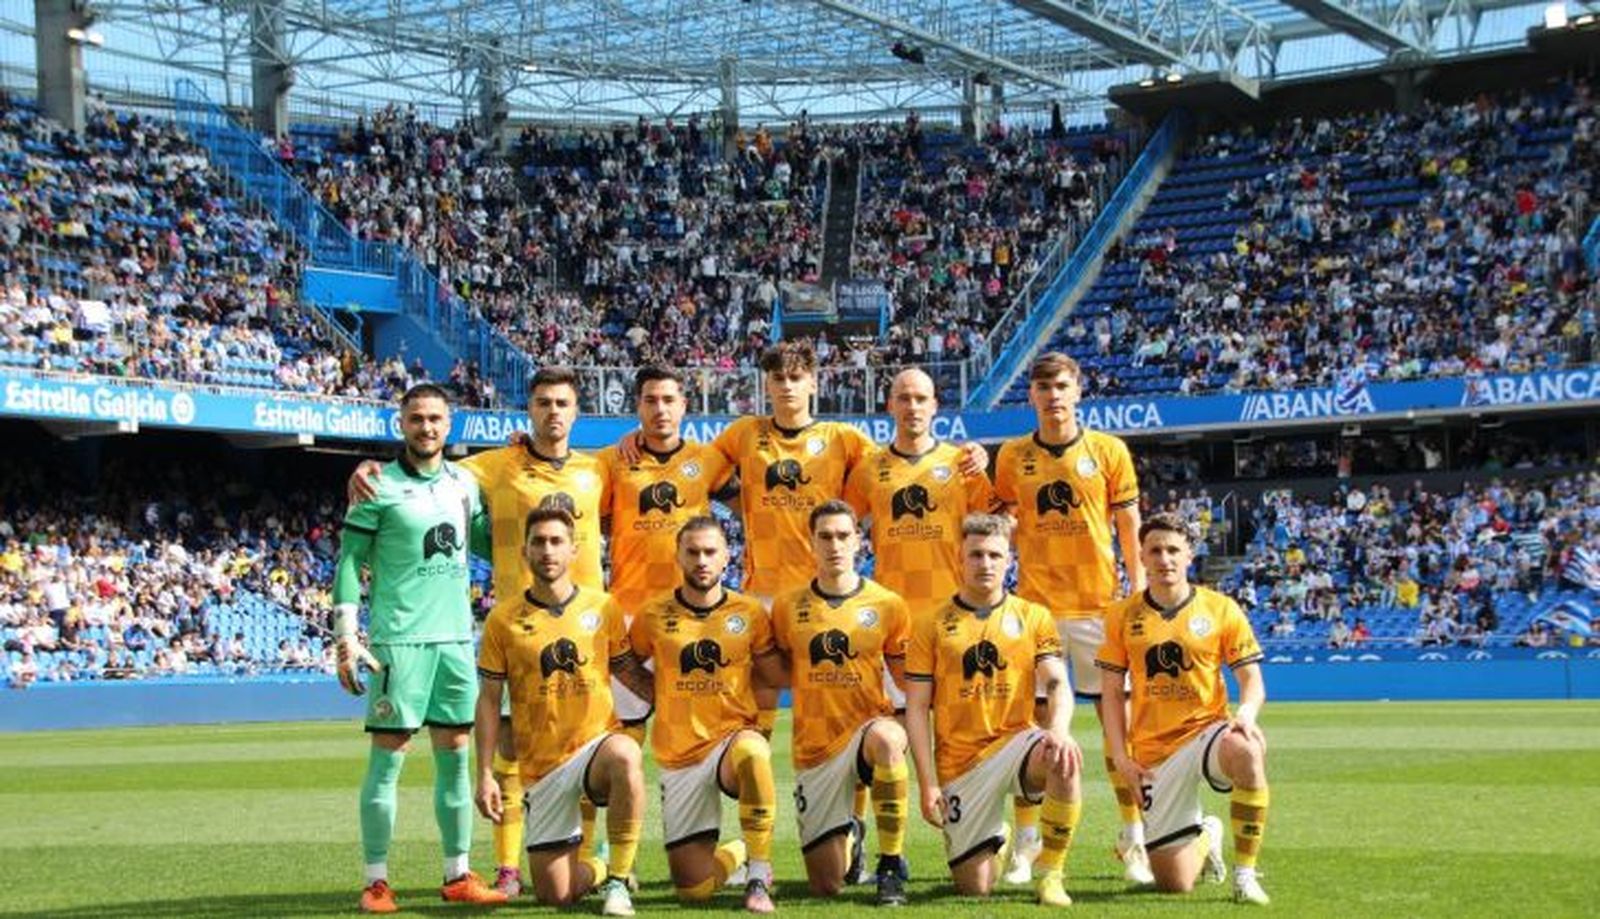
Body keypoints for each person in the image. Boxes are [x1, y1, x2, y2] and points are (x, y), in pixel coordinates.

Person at [352, 366, 615, 896]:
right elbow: (425, 467)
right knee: (510, 749)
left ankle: (597, 859)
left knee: (586, 742)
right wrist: (366, 468)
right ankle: (506, 868)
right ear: (530, 411)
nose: (553, 412)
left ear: (577, 411)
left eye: (562, 403)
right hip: (516, 626)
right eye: (542, 402)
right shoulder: (493, 466)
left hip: (588, 629)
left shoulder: (601, 469)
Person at [330, 383, 506, 914]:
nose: (426, 428)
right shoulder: (377, 485)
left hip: (456, 640)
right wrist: (345, 634)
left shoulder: (464, 484)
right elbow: (348, 560)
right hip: (399, 643)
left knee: (456, 760)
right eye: (416, 419)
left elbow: (488, 545)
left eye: (435, 419)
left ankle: (457, 874)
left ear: (449, 425)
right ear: (401, 424)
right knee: (387, 764)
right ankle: (376, 881)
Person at [992, 352, 1150, 885]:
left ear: (1078, 390)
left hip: (1100, 608)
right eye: (1043, 386)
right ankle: (1026, 842)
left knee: (1117, 733)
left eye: (1062, 385)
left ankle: (1134, 836)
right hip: (1036, 611)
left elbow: (1129, 528)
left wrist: (1139, 594)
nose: (1053, 395)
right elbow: (1005, 524)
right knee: (1031, 731)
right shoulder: (1012, 456)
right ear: (1031, 395)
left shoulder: (1108, 451)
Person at [473, 507, 650, 917]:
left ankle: (620, 883)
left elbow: (627, 672)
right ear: (525, 551)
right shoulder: (502, 620)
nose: (548, 550)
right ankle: (601, 868)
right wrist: (484, 773)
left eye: (556, 542)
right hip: (542, 768)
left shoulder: (603, 607)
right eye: (539, 542)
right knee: (556, 895)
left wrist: (669, 695)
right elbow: (487, 699)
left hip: (594, 747)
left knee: (626, 755)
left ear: (574, 549)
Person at [904, 514, 1085, 905]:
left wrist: (1059, 727)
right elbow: (917, 709)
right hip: (960, 763)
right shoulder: (929, 624)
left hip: (1016, 742)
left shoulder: (1033, 616)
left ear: (1009, 560)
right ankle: (996, 841)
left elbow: (1056, 681)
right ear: (960, 558)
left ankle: (1051, 873)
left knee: (1064, 756)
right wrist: (928, 782)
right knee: (976, 887)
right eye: (976, 555)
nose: (985, 563)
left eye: (994, 555)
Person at [1097, 512, 1272, 905]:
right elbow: (1111, 693)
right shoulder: (1121, 615)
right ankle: (1208, 832)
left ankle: (1244, 875)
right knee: (1174, 883)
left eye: (1173, 549)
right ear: (1140, 557)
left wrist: (1245, 715)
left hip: (1207, 731)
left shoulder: (1220, 608)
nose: (1165, 559)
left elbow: (1251, 680)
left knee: (1246, 749)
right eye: (1155, 550)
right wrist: (1121, 757)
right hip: (1154, 752)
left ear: (1189, 554)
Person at [628, 516, 781, 913]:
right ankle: (739, 852)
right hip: (679, 755)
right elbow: (626, 665)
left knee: (753, 753)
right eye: (692, 552)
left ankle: (758, 875)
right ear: (678, 555)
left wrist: (762, 729)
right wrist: (656, 695)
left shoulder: (749, 612)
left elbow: (769, 677)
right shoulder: (652, 614)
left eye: (710, 552)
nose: (701, 560)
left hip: (732, 739)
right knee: (693, 892)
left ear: (727, 556)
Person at [767, 501, 912, 905]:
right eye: (825, 537)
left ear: (859, 542)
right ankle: (852, 835)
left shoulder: (888, 604)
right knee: (826, 886)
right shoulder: (786, 607)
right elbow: (774, 671)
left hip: (868, 729)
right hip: (815, 748)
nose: (835, 545)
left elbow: (905, 680)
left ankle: (890, 865)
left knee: (886, 738)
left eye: (844, 536)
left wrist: (909, 726)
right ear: (811, 543)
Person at [598, 366, 734, 746]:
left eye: (668, 400)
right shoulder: (612, 461)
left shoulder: (708, 459)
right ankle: (619, 804)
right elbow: (598, 521)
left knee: (695, 732)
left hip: (691, 615)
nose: (660, 408)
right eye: (651, 400)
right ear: (637, 407)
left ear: (684, 405)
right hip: (628, 613)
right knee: (620, 732)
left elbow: (753, 508)